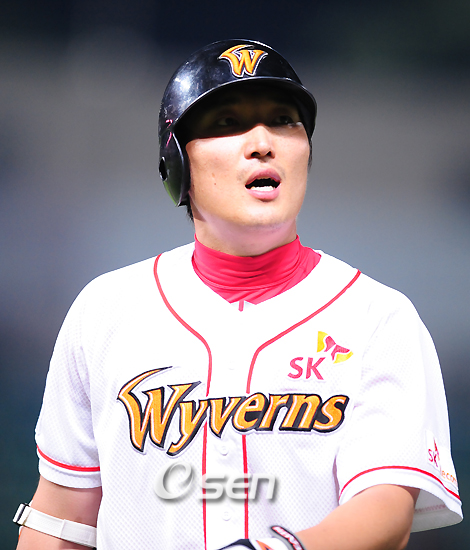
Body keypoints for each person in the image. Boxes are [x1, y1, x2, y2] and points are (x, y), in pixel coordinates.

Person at [14, 39, 462, 550]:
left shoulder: (376, 317)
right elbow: (62, 519)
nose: (263, 142)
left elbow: (385, 511)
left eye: (284, 120)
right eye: (228, 123)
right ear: (176, 162)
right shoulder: (106, 311)